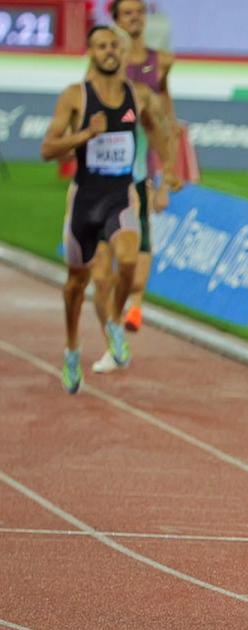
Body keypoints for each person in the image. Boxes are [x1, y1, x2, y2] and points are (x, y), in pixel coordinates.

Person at [39, 25, 171, 393]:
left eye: (114, 45)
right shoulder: (75, 97)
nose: (109, 51)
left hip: (121, 193)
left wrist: (168, 171)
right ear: (91, 52)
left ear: (123, 51)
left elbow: (161, 131)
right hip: (85, 198)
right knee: (76, 287)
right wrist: (85, 135)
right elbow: (48, 149)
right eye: (101, 46)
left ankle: (114, 323)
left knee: (128, 258)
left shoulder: (138, 95)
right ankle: (71, 348)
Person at [109, 0, 180, 334]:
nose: (135, 18)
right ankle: (118, 296)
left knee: (141, 231)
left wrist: (167, 174)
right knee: (112, 238)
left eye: (139, 12)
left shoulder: (161, 62)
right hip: (107, 166)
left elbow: (166, 118)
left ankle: (135, 305)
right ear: (116, 19)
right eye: (128, 13)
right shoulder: (105, 61)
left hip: (141, 163)